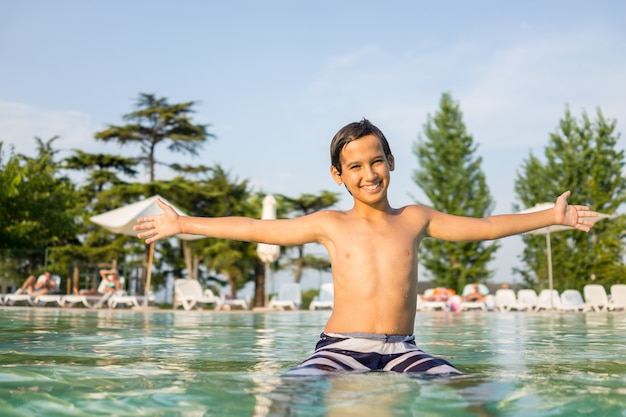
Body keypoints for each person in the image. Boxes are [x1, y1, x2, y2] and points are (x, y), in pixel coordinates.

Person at [134, 118, 598, 376]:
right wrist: (183, 224)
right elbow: (257, 227)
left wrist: (551, 216)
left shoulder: (415, 219)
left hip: (404, 349)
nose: (368, 173)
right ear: (338, 175)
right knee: (287, 393)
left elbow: (487, 225)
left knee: (467, 388)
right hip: (339, 347)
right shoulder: (329, 224)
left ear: (391, 162)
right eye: (354, 166)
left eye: (376, 161)